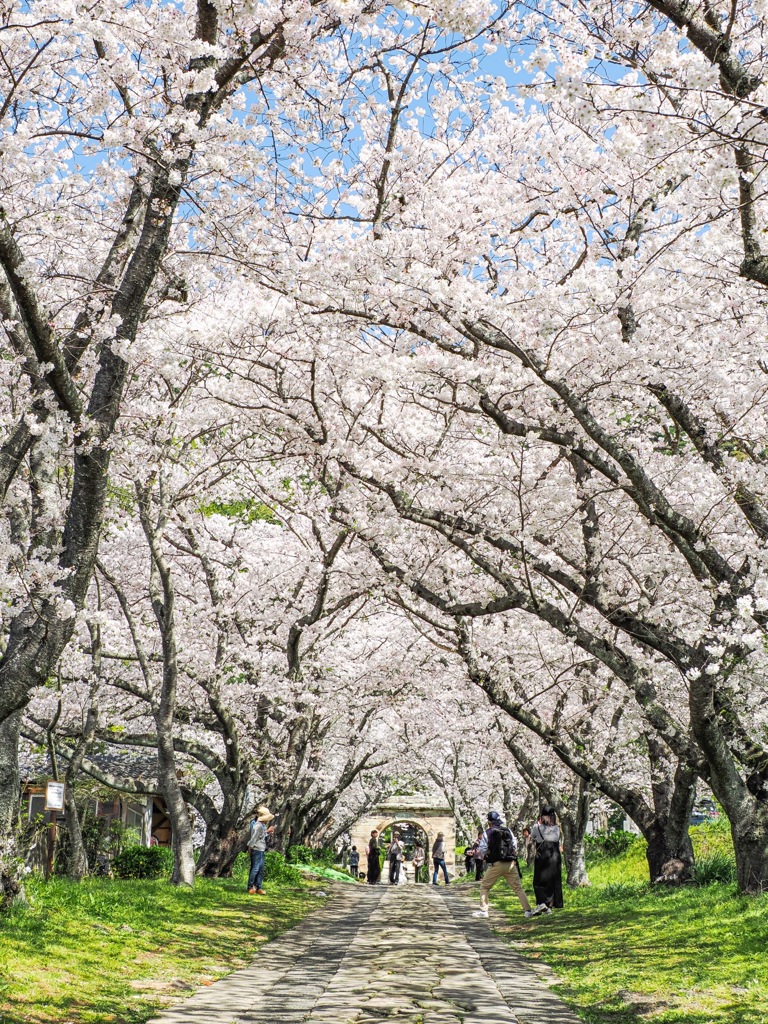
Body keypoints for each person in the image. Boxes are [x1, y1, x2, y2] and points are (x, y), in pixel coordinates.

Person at [473, 810, 537, 919]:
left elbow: (482, 849)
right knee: (518, 888)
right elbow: (514, 845)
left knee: (485, 887)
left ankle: (484, 910)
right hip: (510, 863)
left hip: (496, 864)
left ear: (489, 822)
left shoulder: (487, 833)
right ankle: (527, 911)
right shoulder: (508, 831)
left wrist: (486, 855)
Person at [531, 806, 564, 912]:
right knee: (553, 880)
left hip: (543, 856)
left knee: (539, 880)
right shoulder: (557, 828)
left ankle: (542, 903)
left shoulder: (537, 827)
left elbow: (532, 837)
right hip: (555, 856)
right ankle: (550, 904)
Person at [247, 805, 275, 895]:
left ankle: (259, 887)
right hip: (256, 849)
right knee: (255, 869)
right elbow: (253, 838)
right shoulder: (257, 826)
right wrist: (250, 848)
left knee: (261, 869)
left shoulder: (261, 826)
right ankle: (250, 887)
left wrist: (268, 832)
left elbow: (261, 837)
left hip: (261, 849)